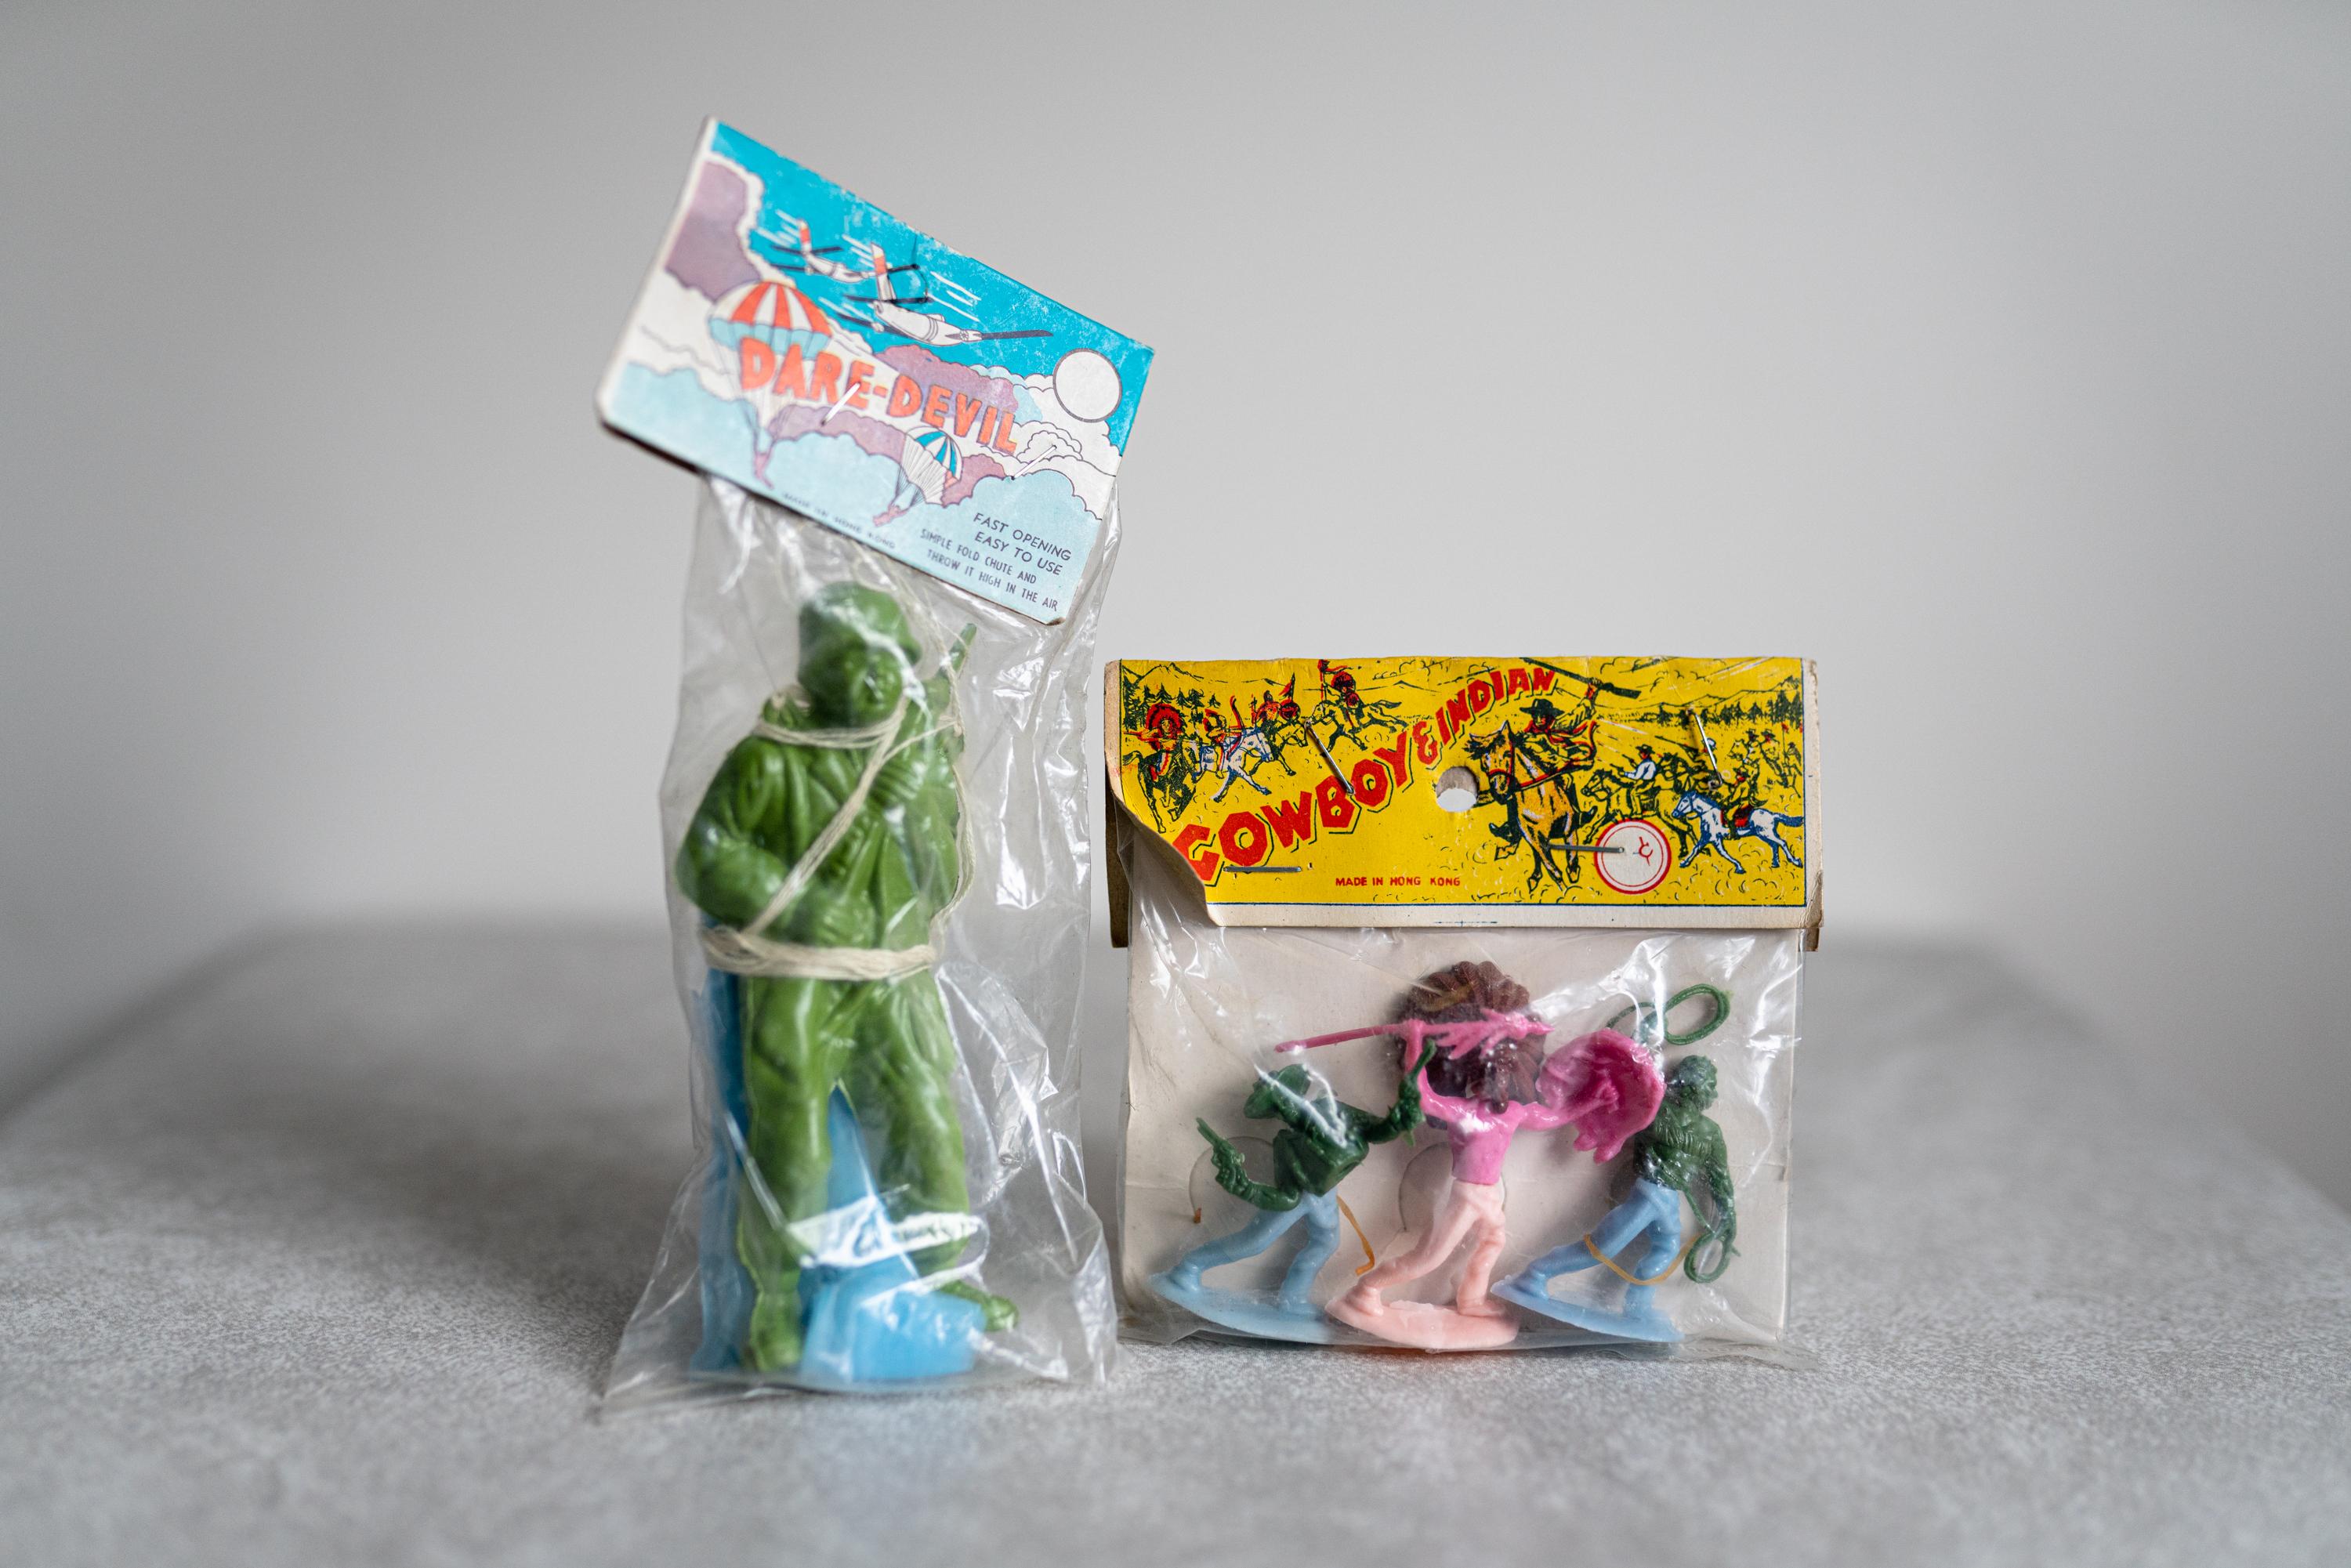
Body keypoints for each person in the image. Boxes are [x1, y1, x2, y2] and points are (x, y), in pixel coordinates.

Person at [676, 582, 1012, 1371]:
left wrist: (914, 807)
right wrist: (796, 904)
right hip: (797, 981)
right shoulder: (770, 756)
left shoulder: (914, 755)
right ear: (817, 667)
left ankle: (942, 1275)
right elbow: (706, 855)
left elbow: (940, 881)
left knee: (927, 1123)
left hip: (894, 981)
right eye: (855, 661)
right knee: (787, 1144)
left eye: (889, 663)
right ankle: (774, 1302)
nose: (875, 679)